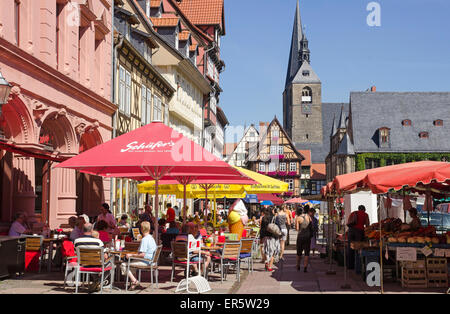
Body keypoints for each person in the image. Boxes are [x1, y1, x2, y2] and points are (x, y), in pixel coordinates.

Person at [120, 221, 157, 290]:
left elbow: (142, 254)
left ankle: (134, 281)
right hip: (151, 261)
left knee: (124, 264)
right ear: (149, 229)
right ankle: (134, 283)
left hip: (146, 261)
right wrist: (133, 255)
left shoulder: (145, 239)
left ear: (141, 229)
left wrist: (131, 255)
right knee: (131, 262)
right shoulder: (151, 238)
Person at [74, 223, 109, 292]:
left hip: (83, 264)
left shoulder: (77, 241)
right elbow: (105, 256)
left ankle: (96, 282)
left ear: (82, 230)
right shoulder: (98, 241)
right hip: (96, 264)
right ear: (92, 230)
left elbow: (76, 253)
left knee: (92, 262)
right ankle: (99, 281)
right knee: (111, 263)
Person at [347, 205, 370, 269]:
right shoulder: (365, 214)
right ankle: (358, 266)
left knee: (350, 247)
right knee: (358, 248)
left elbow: (349, 222)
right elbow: (367, 225)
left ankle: (350, 265)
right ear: (364, 209)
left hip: (351, 231)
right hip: (359, 232)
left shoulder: (353, 213)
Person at [260, 207, 280, 272]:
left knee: (266, 250)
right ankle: (270, 266)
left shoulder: (264, 218)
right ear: (272, 211)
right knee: (272, 252)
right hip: (273, 237)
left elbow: (262, 229)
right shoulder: (274, 218)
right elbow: (278, 227)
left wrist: (261, 237)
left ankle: (266, 261)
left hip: (266, 237)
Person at [295, 206, 314, 272]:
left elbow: (297, 229)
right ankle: (305, 267)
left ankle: (298, 265)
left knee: (299, 252)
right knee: (306, 252)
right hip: (307, 236)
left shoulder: (298, 218)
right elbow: (312, 226)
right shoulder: (308, 217)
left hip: (300, 236)